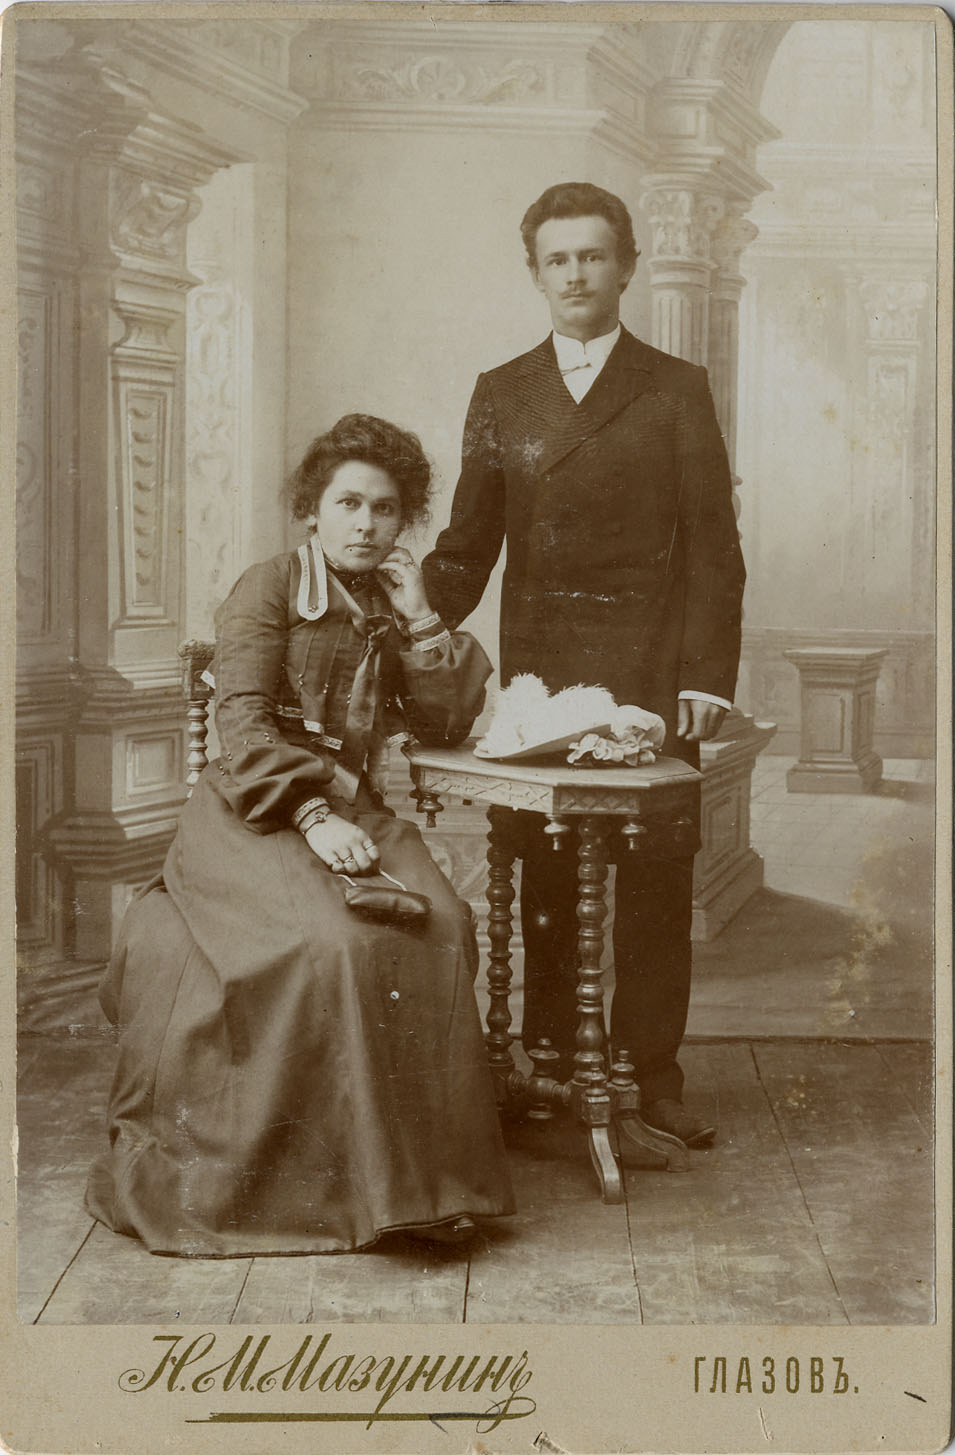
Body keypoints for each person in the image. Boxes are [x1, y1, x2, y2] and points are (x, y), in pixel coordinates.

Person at [86, 414, 515, 1255]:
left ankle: (429, 1184)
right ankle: (343, 1189)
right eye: (348, 503)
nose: (366, 524)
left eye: (385, 509)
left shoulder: (389, 602)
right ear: (311, 510)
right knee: (335, 942)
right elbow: (242, 721)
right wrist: (313, 817)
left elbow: (443, 723)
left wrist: (421, 617)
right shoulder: (270, 586)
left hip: (356, 809)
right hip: (256, 809)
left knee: (443, 923)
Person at [423, 182, 746, 1148]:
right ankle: (552, 1071)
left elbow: (714, 546)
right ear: (535, 273)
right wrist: (418, 614)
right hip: (543, 684)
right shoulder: (501, 391)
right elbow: (469, 542)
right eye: (557, 259)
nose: (575, 274)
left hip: (651, 673)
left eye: (593, 255)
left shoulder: (675, 386)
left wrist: (704, 676)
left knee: (653, 881)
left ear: (626, 267)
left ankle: (652, 1076)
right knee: (548, 875)